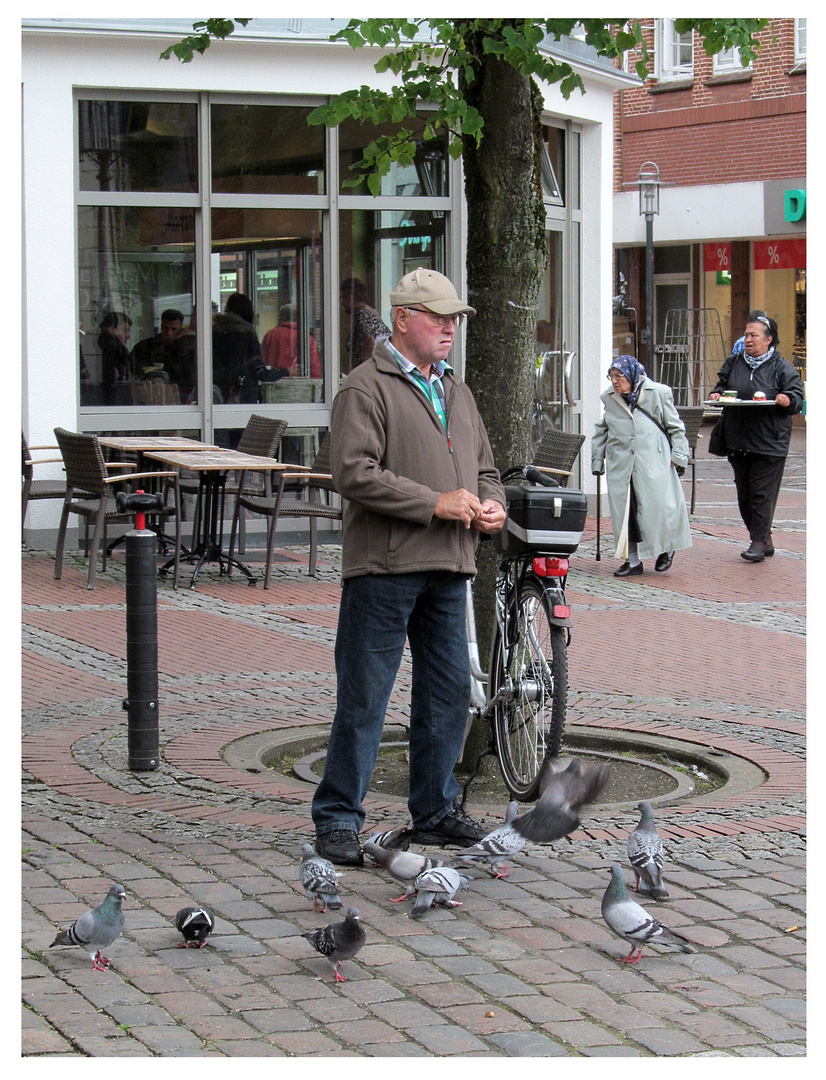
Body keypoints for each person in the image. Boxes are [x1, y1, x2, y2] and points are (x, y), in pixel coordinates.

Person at [311, 267, 507, 866]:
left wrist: (491, 502)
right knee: (366, 697)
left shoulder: (457, 390)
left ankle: (435, 810)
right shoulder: (364, 388)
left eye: (454, 319)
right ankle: (339, 817)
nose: (450, 328)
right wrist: (435, 502)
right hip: (384, 568)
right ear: (403, 320)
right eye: (438, 317)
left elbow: (486, 469)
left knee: (447, 695)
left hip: (450, 565)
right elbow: (352, 473)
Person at [708, 311, 803, 562]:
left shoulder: (783, 368)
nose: (748, 339)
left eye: (754, 335)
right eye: (746, 335)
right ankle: (764, 537)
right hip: (738, 439)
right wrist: (717, 395)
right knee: (745, 495)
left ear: (769, 339)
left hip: (769, 441)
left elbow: (797, 398)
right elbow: (721, 387)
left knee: (762, 495)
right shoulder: (735, 362)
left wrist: (787, 398)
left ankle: (757, 542)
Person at [591, 355, 691, 577]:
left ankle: (667, 548)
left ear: (632, 375)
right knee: (627, 512)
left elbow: (675, 427)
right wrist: (597, 461)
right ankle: (632, 561)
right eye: (612, 376)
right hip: (621, 465)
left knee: (661, 509)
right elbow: (602, 430)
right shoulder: (609, 397)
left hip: (654, 461)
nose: (615, 381)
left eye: (620, 376)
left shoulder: (658, 393)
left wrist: (679, 456)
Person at [212, 292, 282, 405]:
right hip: (244, 397)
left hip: (217, 397)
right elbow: (261, 373)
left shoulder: (214, 333)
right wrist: (284, 371)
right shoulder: (248, 335)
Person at [339, 277, 391, 369]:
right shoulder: (370, 312)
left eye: (342, 298)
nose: (341, 303)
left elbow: (369, 340)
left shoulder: (362, 315)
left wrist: (364, 370)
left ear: (350, 297)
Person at [261, 303, 321, 378]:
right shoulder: (307, 338)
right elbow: (315, 370)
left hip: (274, 385)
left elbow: (263, 362)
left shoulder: (270, 335)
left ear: (284, 317)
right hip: (300, 386)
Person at [131, 308, 184, 378]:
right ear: (161, 327)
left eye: (174, 329)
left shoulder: (183, 349)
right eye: (166, 328)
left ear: (181, 329)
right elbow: (132, 365)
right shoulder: (145, 345)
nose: (169, 333)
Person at [97, 311, 134, 404]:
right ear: (110, 329)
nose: (128, 336)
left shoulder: (100, 346)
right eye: (124, 330)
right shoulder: (116, 350)